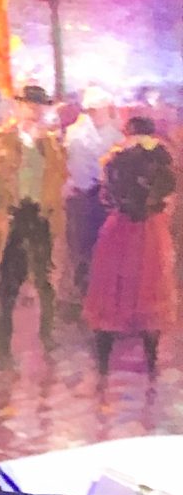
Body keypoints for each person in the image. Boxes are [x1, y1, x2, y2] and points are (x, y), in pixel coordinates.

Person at [86, 112, 178, 381]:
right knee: (149, 287)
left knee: (112, 288)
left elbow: (108, 194)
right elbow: (166, 190)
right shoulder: (161, 158)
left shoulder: (117, 158)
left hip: (122, 228)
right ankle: (150, 361)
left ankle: (104, 363)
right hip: (149, 229)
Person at [0, 82, 66, 365]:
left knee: (45, 279)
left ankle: (47, 336)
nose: (34, 110)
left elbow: (59, 178)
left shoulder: (50, 143)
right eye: (29, 105)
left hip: (40, 217)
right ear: (18, 107)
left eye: (39, 106)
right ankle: (2, 343)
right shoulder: (1, 139)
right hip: (13, 217)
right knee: (7, 282)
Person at [63, 86, 117, 306]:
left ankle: (95, 297)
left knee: (97, 250)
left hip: (100, 198)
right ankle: (86, 298)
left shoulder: (111, 132)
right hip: (86, 198)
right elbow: (80, 169)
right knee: (85, 249)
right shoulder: (78, 134)